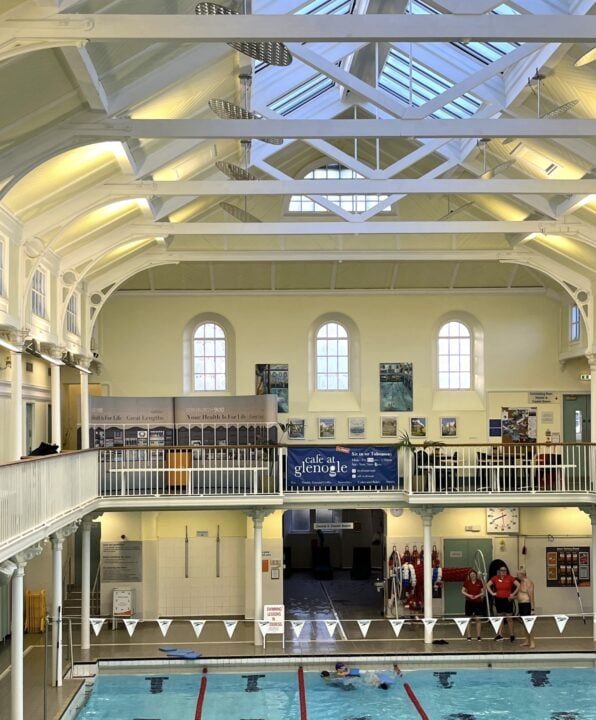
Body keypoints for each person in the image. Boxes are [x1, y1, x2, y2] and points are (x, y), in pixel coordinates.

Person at [487, 565, 520, 641]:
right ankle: (499, 635)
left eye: (504, 570)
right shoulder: (495, 578)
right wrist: (492, 593)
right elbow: (488, 585)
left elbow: (518, 585)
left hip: (507, 600)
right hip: (499, 600)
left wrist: (513, 594)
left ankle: (512, 635)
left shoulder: (510, 578)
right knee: (500, 617)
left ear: (506, 571)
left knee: (509, 618)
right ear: (499, 571)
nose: (503, 572)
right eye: (502, 570)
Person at [461, 569, 485, 641]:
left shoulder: (479, 582)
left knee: (478, 619)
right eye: (471, 575)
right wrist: (469, 595)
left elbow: (483, 592)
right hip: (469, 602)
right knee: (469, 619)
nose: (472, 576)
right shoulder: (467, 582)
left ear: (476, 575)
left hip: (478, 602)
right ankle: (469, 636)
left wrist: (477, 596)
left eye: (474, 575)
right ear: (469, 576)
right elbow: (462, 591)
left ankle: (478, 636)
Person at [516, 568, 536, 649]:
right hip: (521, 605)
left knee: (528, 624)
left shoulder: (528, 582)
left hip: (526, 605)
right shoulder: (522, 582)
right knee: (524, 624)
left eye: (518, 575)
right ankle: (527, 640)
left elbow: (531, 596)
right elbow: (521, 593)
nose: (517, 576)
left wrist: (532, 609)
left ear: (522, 574)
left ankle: (532, 642)